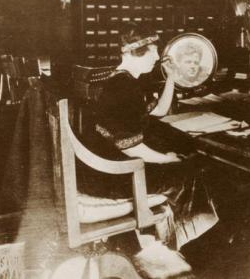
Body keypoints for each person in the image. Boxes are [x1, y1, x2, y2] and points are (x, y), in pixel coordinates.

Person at [78, 23, 217, 278]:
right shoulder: (124, 88)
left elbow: (157, 113)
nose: (157, 57)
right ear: (138, 52)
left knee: (185, 162)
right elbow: (131, 148)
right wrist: (166, 159)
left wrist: (172, 80)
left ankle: (169, 244)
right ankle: (179, 249)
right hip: (115, 176)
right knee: (191, 170)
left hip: (104, 170)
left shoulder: (123, 80)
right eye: (153, 51)